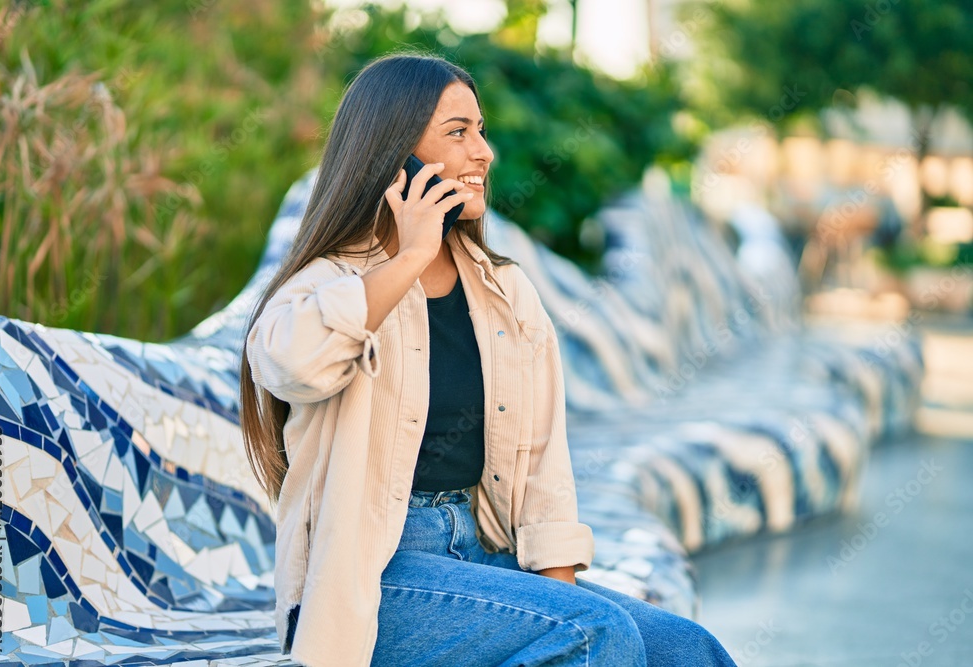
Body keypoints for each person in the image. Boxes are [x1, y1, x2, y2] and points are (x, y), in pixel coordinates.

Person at [240, 53, 737, 667]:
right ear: (394, 153)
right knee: (599, 633)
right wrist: (408, 258)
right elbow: (291, 365)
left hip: (481, 554)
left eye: (481, 130)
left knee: (686, 648)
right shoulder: (329, 283)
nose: (484, 153)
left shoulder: (506, 293)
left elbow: (541, 461)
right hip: (370, 577)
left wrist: (559, 599)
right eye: (457, 132)